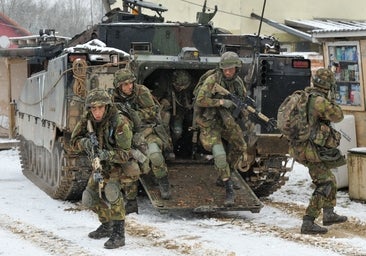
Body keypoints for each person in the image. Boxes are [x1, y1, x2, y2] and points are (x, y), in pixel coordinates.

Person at [70, 88, 139, 249]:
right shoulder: (87, 119)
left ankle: (118, 234)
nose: (97, 112)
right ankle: (106, 224)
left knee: (112, 193)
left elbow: (125, 154)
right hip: (99, 165)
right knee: (89, 198)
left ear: (107, 107)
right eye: (93, 108)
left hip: (118, 165)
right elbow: (73, 142)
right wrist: (85, 143)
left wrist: (105, 155)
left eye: (100, 108)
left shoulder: (120, 123)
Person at [288, 68, 347, 235]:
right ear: (328, 85)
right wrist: (333, 100)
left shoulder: (304, 96)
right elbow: (338, 116)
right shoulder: (319, 101)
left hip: (300, 147)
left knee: (330, 178)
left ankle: (329, 213)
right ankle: (308, 221)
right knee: (326, 182)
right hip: (310, 150)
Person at [194, 51, 249, 206]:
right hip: (210, 122)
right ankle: (228, 188)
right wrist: (220, 103)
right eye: (225, 69)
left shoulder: (238, 83)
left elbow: (241, 100)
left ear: (237, 69)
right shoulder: (213, 80)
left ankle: (226, 174)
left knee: (240, 146)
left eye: (231, 69)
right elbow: (200, 100)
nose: (228, 72)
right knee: (219, 155)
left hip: (227, 121)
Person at [111, 68, 172, 200]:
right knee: (125, 162)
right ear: (118, 86)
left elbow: (152, 111)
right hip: (125, 135)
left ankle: (163, 181)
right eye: (125, 84)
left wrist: (136, 115)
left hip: (146, 130)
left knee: (155, 155)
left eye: (130, 83)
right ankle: (129, 195)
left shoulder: (141, 91)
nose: (129, 86)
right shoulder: (112, 97)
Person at [155, 70, 194, 146]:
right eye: (178, 87)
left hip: (184, 111)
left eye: (184, 87)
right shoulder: (164, 86)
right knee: (176, 131)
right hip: (170, 111)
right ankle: (170, 146)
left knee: (186, 128)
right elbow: (154, 98)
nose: (181, 89)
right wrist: (162, 103)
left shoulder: (191, 86)